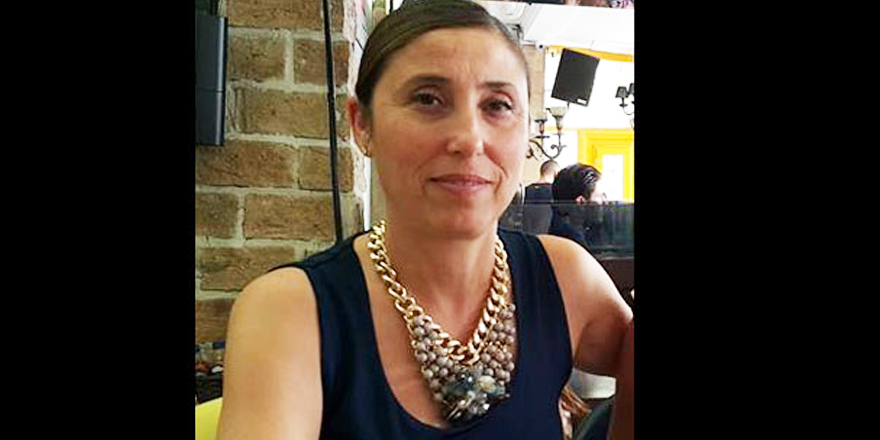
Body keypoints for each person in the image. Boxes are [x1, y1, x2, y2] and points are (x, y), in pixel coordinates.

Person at [216, 1, 633, 440]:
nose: (469, 138)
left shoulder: (564, 278)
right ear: (362, 125)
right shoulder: (290, 311)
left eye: (497, 105)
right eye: (427, 99)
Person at [548, 163, 607, 250]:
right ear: (581, 202)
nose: (605, 202)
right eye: (601, 196)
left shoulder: (557, 230)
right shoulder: (573, 241)